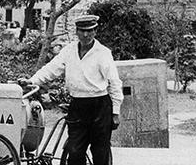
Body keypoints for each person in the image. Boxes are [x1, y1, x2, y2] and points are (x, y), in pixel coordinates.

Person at [20, 14, 122, 165]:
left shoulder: (103, 53)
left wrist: (115, 112)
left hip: (100, 106)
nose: (86, 35)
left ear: (95, 31)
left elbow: (114, 82)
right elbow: (51, 69)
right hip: (78, 106)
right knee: (74, 151)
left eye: (90, 30)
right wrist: (32, 80)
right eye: (82, 30)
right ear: (77, 31)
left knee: (100, 151)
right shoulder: (69, 51)